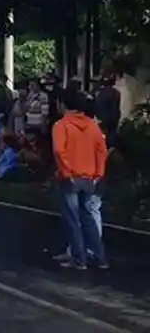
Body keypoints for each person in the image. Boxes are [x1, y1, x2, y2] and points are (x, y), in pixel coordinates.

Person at [51, 90, 109, 270]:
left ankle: (78, 259)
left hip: (70, 177)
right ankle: (100, 258)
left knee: (72, 219)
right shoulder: (92, 125)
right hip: (90, 177)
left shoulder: (61, 125)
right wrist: (98, 174)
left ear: (63, 104)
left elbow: (59, 151)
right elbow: (101, 150)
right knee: (87, 218)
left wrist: (67, 172)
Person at [95, 75, 121, 146]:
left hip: (103, 120)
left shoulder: (100, 93)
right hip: (113, 119)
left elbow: (98, 106)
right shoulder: (116, 93)